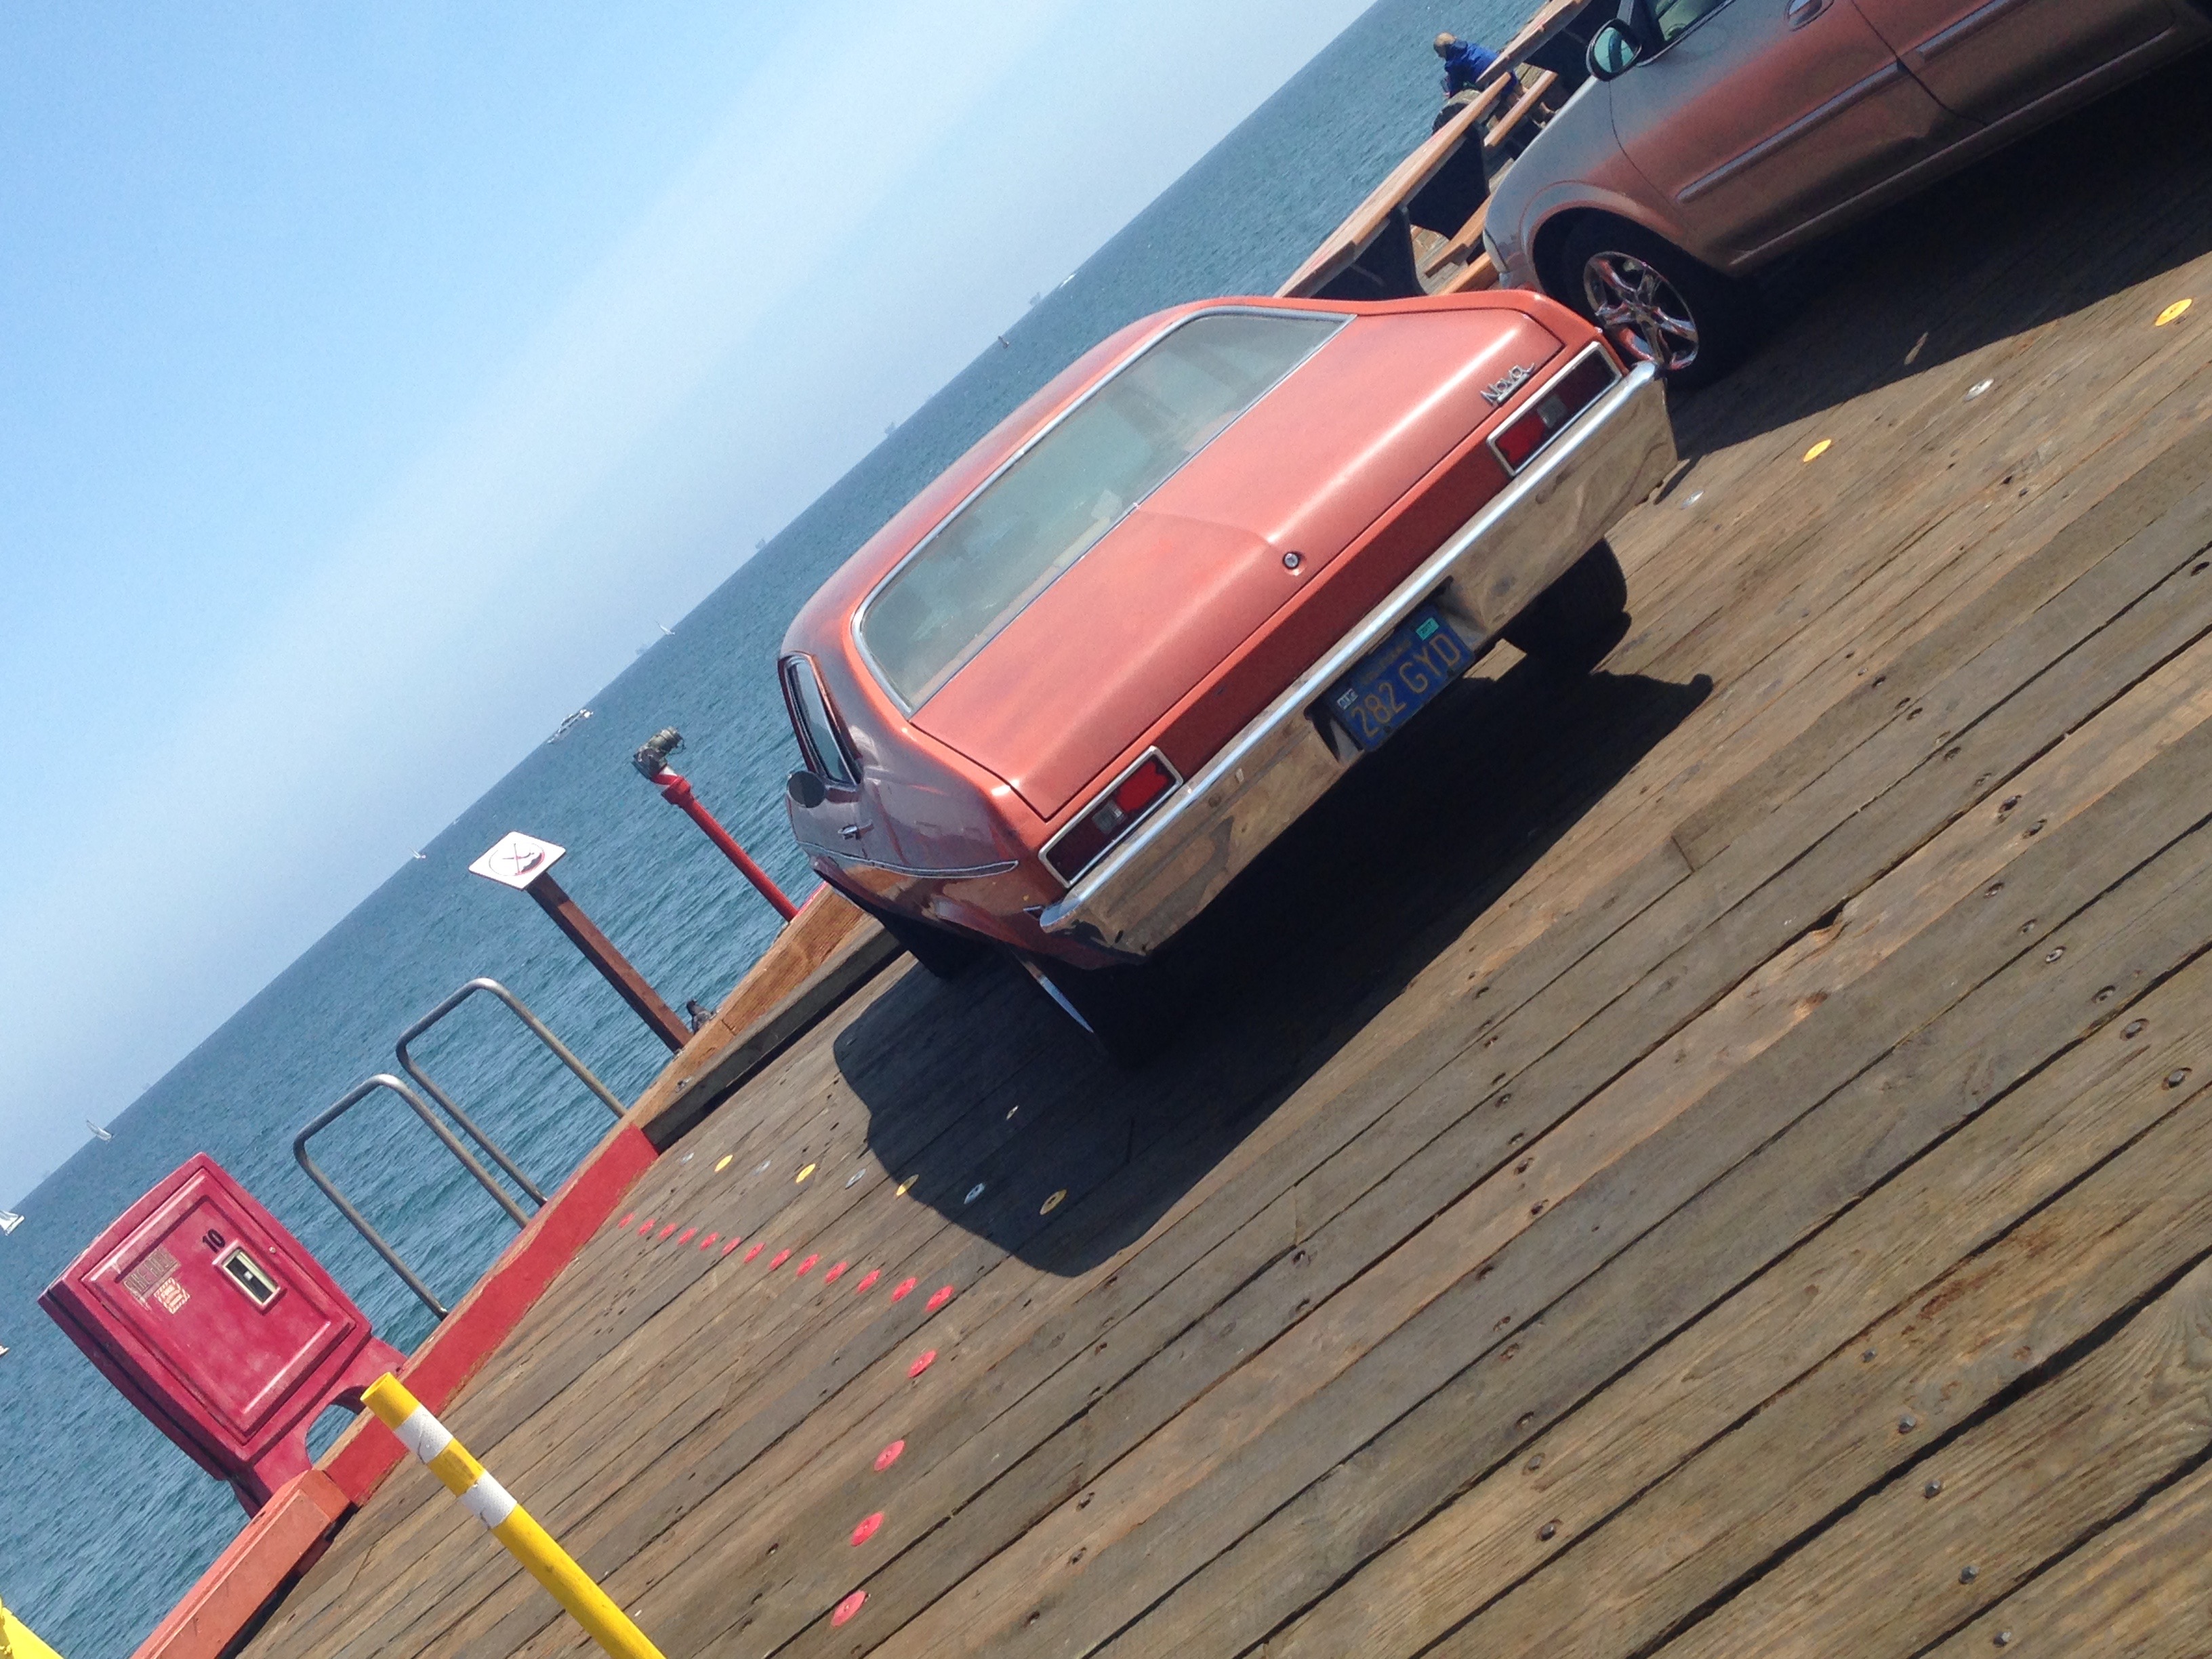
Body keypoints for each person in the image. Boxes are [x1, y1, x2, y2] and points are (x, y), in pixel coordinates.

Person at [1433, 31, 1501, 95]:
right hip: (1501, 66)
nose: (1440, 56)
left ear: (1444, 51)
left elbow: (1456, 88)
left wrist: (1451, 94)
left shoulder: (1453, 65)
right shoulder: (1471, 45)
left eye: (1439, 53)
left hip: (1492, 83)